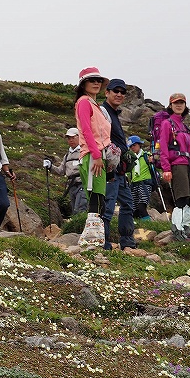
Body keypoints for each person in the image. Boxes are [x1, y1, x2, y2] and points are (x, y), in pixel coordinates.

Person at [73, 67, 112, 246]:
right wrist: (96, 155)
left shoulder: (94, 105)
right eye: (92, 80)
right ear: (83, 84)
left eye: (98, 80)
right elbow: (87, 131)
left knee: (99, 196)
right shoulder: (83, 102)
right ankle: (91, 241)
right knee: (95, 196)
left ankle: (94, 240)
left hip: (98, 155)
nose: (96, 83)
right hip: (92, 154)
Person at [158, 93, 190, 241]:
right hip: (177, 165)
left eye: (181, 103)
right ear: (170, 106)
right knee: (182, 197)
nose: (179, 105)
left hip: (189, 164)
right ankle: (177, 230)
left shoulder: (184, 126)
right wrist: (166, 168)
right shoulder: (167, 124)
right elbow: (163, 147)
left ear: (185, 106)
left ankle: (185, 227)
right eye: (176, 103)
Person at [100, 78, 137, 250]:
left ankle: (127, 241)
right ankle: (104, 242)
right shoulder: (103, 111)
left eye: (123, 92)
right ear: (107, 92)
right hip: (110, 167)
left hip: (120, 169)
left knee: (128, 203)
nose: (120, 94)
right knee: (108, 205)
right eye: (116, 91)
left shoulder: (113, 113)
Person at [47, 127, 87, 216]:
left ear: (79, 137)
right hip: (71, 187)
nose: (70, 140)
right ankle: (77, 228)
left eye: (73, 137)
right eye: (69, 138)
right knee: (74, 210)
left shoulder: (84, 151)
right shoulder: (67, 155)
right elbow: (61, 171)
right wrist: (50, 166)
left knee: (79, 210)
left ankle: (79, 228)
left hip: (82, 184)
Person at [126, 135, 154, 221]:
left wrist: (153, 161)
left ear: (139, 145)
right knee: (134, 210)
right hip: (134, 185)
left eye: (134, 145)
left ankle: (148, 224)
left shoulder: (147, 156)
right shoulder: (130, 159)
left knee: (142, 205)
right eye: (130, 146)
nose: (132, 148)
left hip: (145, 184)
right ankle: (138, 225)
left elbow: (156, 163)